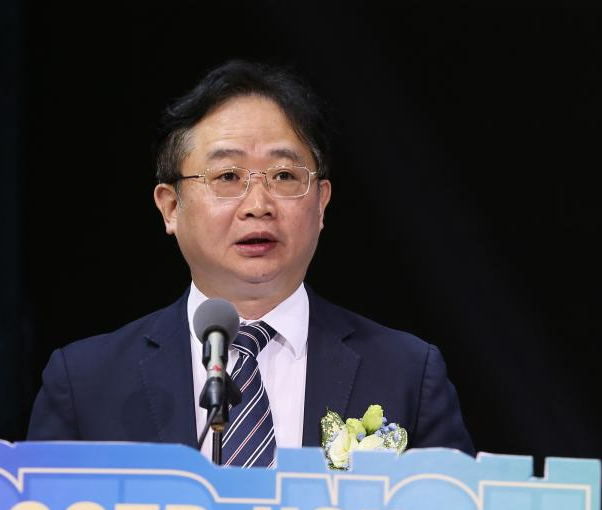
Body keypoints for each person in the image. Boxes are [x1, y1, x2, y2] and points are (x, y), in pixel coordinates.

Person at [27, 60, 474, 464]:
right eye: (227, 176)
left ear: (321, 203)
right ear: (170, 207)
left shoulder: (408, 373)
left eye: (284, 176)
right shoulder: (85, 383)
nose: (258, 205)